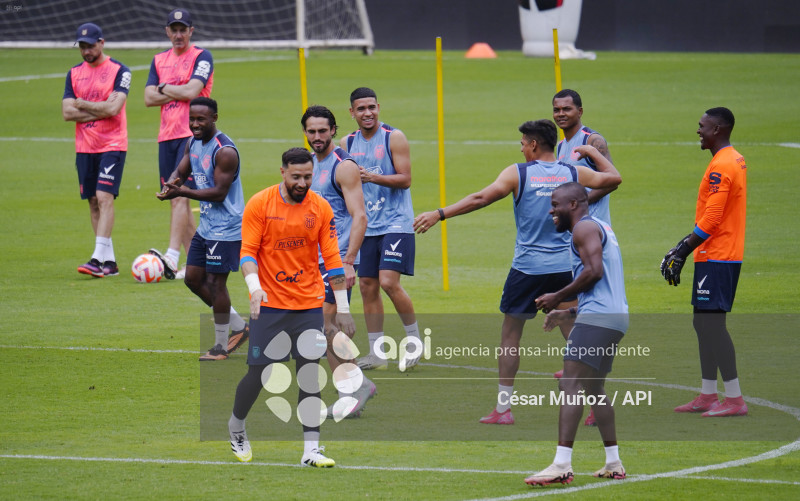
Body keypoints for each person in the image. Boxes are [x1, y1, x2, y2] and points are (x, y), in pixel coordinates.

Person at [414, 120, 621, 425]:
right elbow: (613, 179)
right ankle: (594, 406)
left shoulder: (518, 173)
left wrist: (439, 214)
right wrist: (592, 156)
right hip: (565, 268)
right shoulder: (572, 173)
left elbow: (480, 198)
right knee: (574, 335)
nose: (521, 149)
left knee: (511, 335)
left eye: (523, 143)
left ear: (534, 144)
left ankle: (503, 409)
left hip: (527, 269)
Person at [227, 147, 356, 467]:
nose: (302, 183)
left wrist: (342, 307)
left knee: (309, 374)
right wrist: (254, 288)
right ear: (282, 172)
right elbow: (247, 253)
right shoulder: (260, 204)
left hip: (309, 305)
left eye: (308, 177)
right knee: (259, 373)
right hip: (270, 305)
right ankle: (236, 426)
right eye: (296, 177)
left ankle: (311, 450)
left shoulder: (320, 208)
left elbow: (333, 260)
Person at [525, 181, 629, 486]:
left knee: (569, 383)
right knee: (594, 388)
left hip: (598, 319)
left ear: (573, 204)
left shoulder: (583, 229)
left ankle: (561, 465)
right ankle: (614, 463)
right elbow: (603, 287)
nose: (552, 211)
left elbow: (594, 272)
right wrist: (568, 313)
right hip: (614, 317)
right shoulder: (601, 227)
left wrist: (557, 296)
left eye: (555, 205)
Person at [661, 107, 748, 418]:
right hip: (716, 253)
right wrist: (684, 247)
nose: (698, 131)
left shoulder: (722, 165)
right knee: (703, 323)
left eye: (702, 126)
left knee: (712, 325)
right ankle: (708, 394)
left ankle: (734, 399)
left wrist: (682, 251)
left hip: (718, 255)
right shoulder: (732, 158)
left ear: (718, 129)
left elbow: (712, 219)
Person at [156, 97, 249, 361]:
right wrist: (171, 185)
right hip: (207, 225)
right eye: (192, 119)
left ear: (214, 118)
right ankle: (240, 327)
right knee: (193, 279)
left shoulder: (225, 152)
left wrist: (183, 192)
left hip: (227, 227)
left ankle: (220, 346)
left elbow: (219, 193)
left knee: (216, 283)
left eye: (201, 120)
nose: (195, 124)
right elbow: (181, 170)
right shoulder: (193, 142)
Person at [302, 105, 375, 418]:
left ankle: (356, 388)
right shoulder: (310, 164)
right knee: (323, 327)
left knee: (324, 325)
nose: (317, 136)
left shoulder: (343, 167)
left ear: (333, 130)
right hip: (313, 261)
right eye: (312, 131)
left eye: (323, 130)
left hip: (336, 260)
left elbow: (360, 216)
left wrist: (348, 261)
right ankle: (353, 391)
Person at [341, 87, 421, 371]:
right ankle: (377, 353)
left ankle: (414, 341)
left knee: (388, 282)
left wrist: (372, 177)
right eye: (361, 109)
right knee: (367, 286)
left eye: (372, 107)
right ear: (352, 112)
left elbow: (406, 179)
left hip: (396, 221)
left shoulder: (393, 137)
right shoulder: (347, 143)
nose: (368, 113)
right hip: (366, 224)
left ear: (379, 108)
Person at [145, 8, 214, 280]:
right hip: (166, 136)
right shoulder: (159, 60)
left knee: (178, 194)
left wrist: (163, 88)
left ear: (191, 31)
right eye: (173, 30)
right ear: (167, 31)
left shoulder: (201, 56)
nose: (178, 34)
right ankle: (199, 263)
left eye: (182, 29)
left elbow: (192, 91)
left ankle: (171, 257)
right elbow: (148, 98)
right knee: (178, 198)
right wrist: (177, 90)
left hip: (192, 134)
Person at [62, 22, 131, 278]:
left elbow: (114, 109)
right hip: (85, 147)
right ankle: (109, 263)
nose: (86, 51)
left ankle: (96, 258)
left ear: (102, 43)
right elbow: (67, 113)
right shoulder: (73, 73)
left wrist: (82, 103)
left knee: (104, 197)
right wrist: (99, 107)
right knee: (93, 201)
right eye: (82, 47)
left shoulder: (120, 71)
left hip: (112, 144)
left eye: (90, 46)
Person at [553, 89, 616, 224]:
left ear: (580, 112)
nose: (561, 114)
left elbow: (612, 182)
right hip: (572, 228)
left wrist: (580, 203)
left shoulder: (592, 140)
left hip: (594, 224)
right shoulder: (561, 145)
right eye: (556, 110)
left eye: (567, 109)